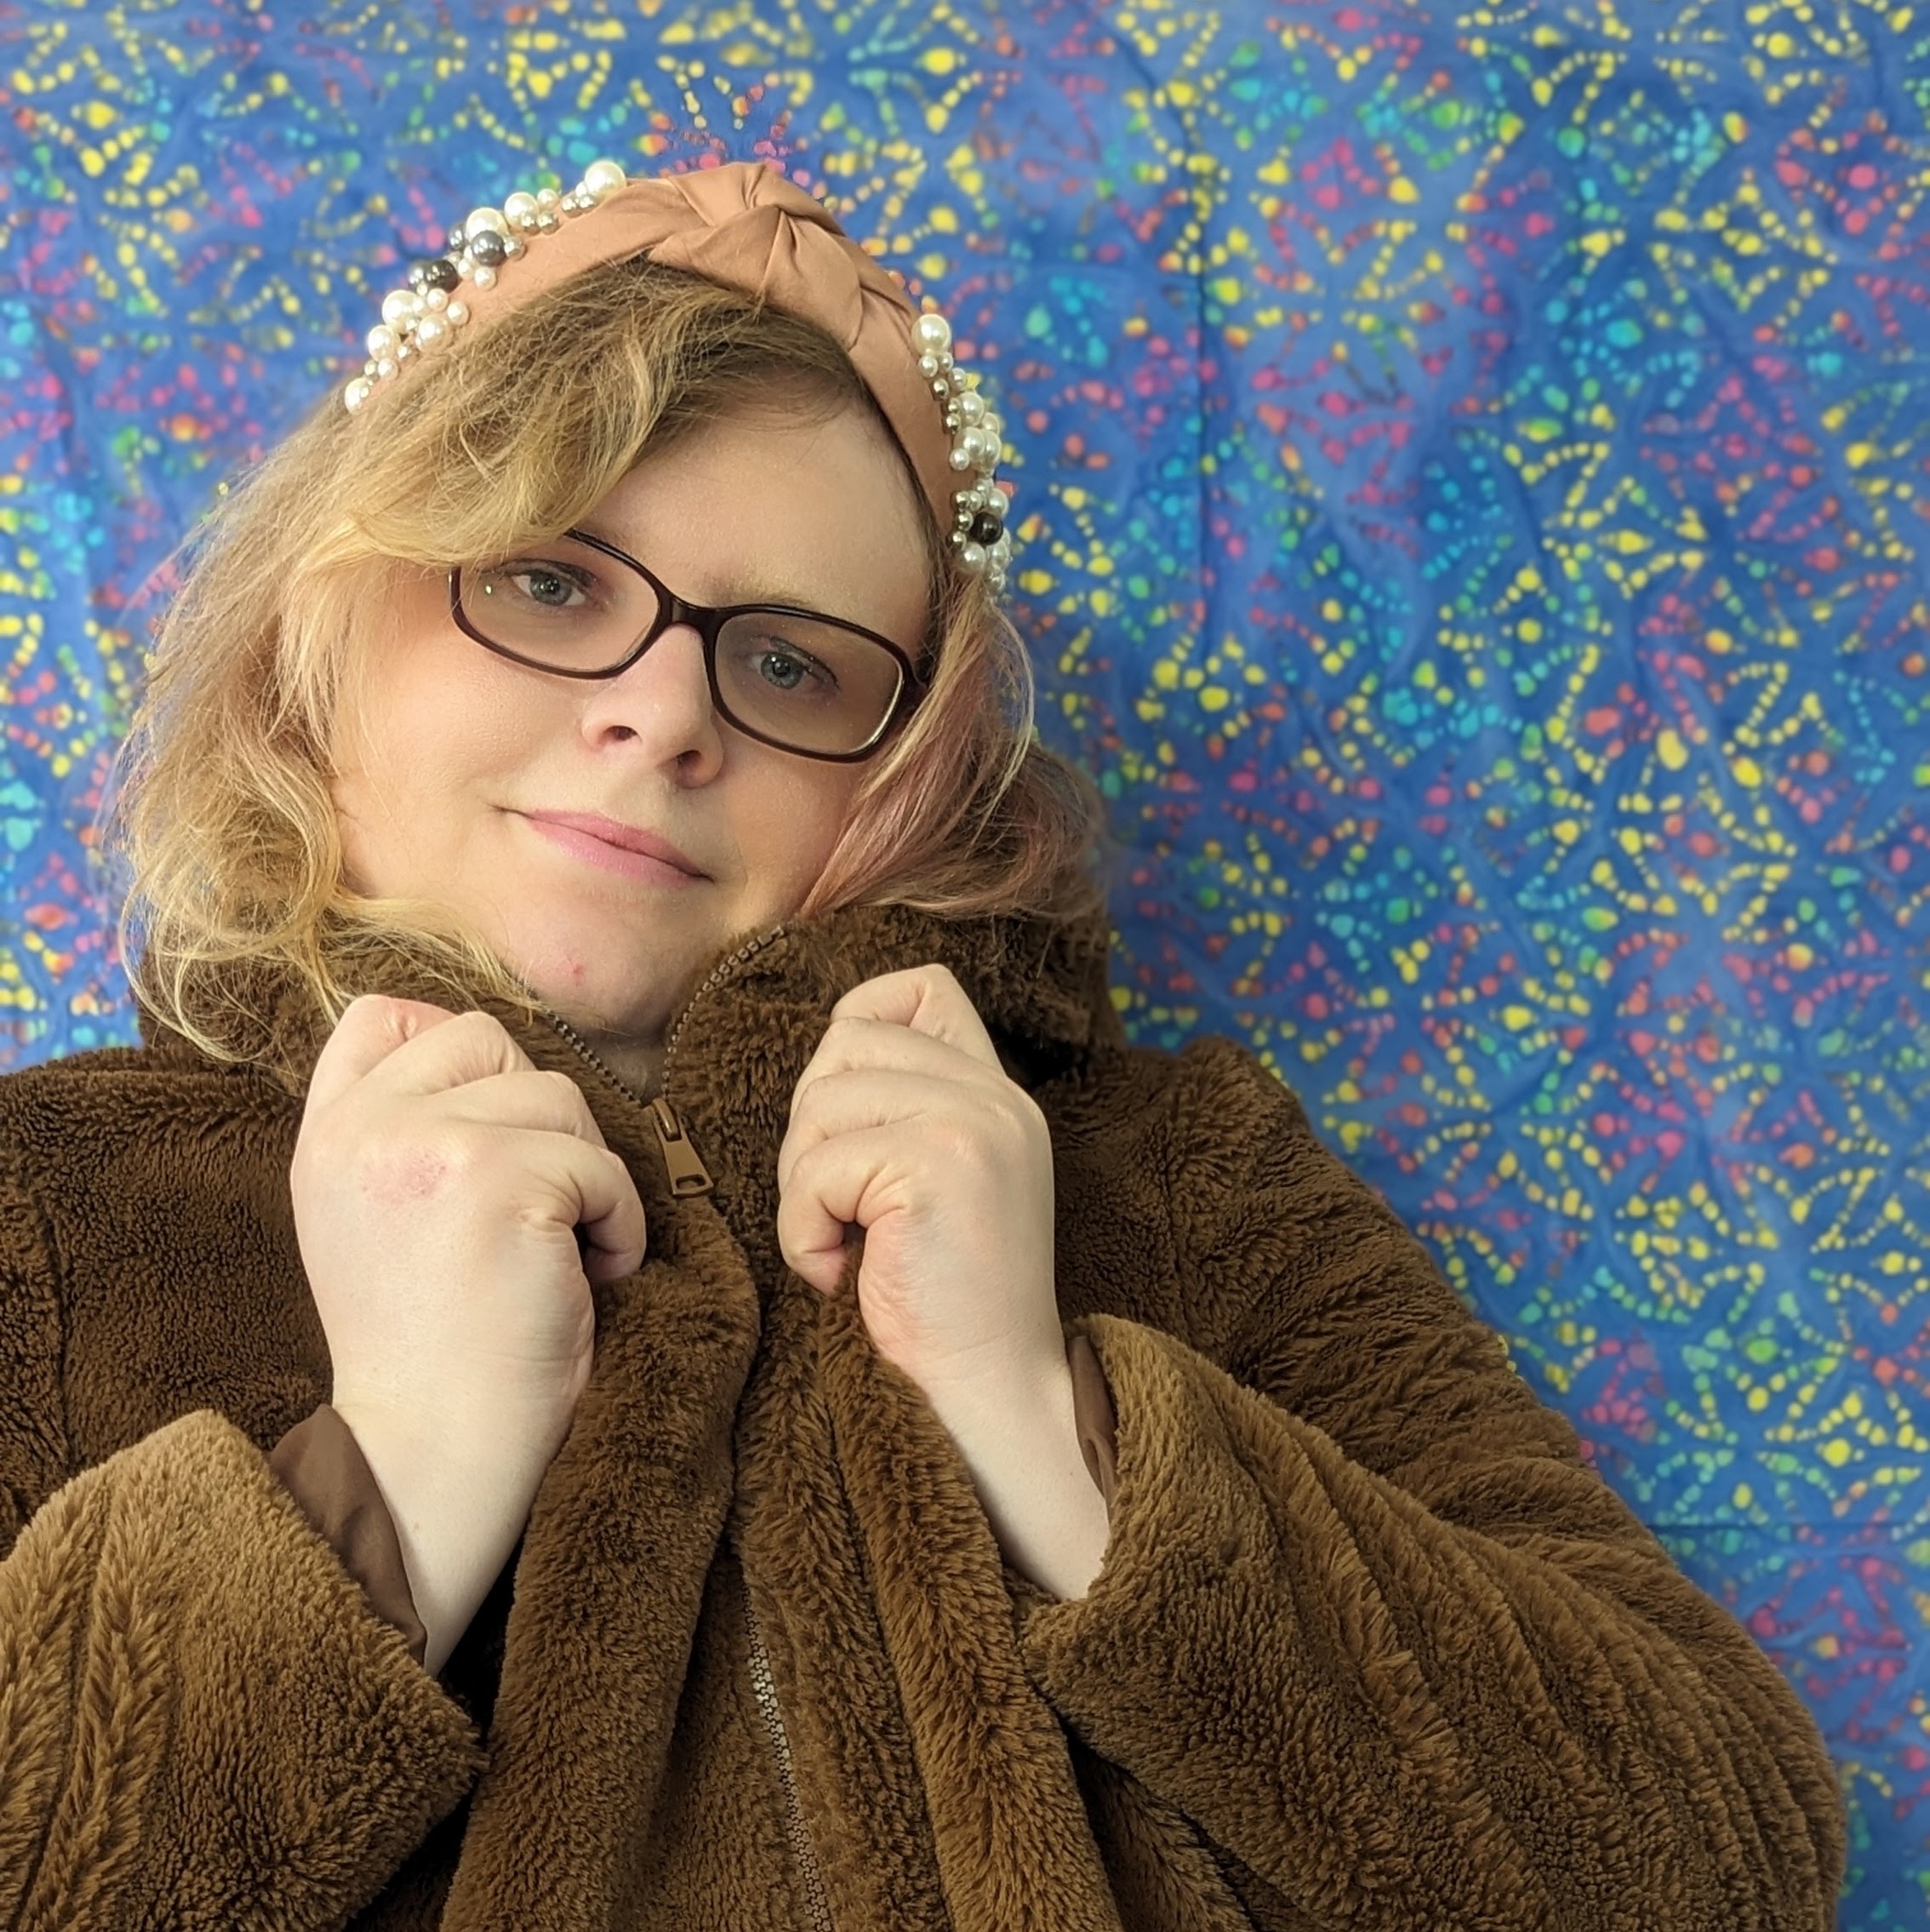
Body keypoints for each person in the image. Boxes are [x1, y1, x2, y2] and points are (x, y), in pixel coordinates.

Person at [0, 157, 1842, 1931]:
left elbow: (1721, 1858)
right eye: (553, 578)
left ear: (912, 775)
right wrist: (386, 1479)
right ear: (319, 645)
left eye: (791, 662)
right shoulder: (53, 1210)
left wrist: (1059, 1431)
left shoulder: (1181, 1176)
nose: (661, 713)